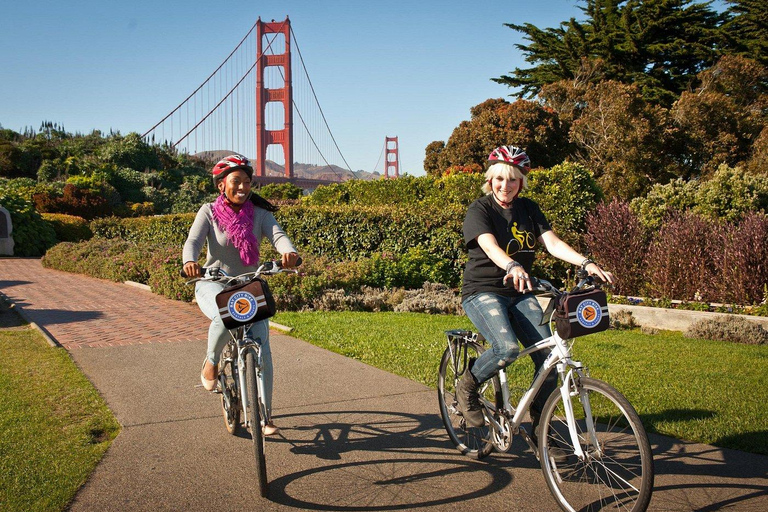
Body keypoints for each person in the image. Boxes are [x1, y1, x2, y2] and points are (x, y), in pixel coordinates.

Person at [458, 145, 613, 455]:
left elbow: (552, 243)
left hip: (521, 292)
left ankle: (541, 426)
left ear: (521, 182)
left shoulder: (529, 209)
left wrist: (585, 262)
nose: (505, 185)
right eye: (500, 179)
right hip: (483, 291)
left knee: (549, 360)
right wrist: (512, 264)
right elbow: (489, 246)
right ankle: (468, 386)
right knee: (507, 349)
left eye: (513, 180)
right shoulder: (480, 209)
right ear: (491, 179)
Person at [182, 154, 299, 436]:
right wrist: (189, 262)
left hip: (249, 285)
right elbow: (193, 242)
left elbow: (278, 235)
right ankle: (211, 363)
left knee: (262, 345)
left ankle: (265, 415)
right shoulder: (208, 212)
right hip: (213, 283)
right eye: (236, 181)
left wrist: (289, 252)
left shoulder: (260, 213)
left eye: (247, 182)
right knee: (227, 315)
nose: (243, 187)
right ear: (221, 184)